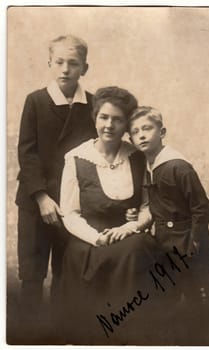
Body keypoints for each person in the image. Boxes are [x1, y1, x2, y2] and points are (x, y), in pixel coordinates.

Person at [59, 87, 156, 345]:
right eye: (104, 117)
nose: (109, 125)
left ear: (127, 124)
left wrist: (132, 226)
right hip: (91, 242)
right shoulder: (76, 158)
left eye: (117, 119)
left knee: (137, 248)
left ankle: (130, 333)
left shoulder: (137, 157)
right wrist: (96, 238)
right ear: (95, 117)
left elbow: (148, 206)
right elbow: (69, 213)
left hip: (128, 238)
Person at [15, 35, 97, 322]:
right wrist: (40, 196)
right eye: (59, 62)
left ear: (84, 68)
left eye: (73, 63)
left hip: (71, 202)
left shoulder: (93, 105)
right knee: (32, 269)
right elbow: (27, 151)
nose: (65, 69)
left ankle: (61, 329)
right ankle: (27, 329)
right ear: (50, 64)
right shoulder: (36, 101)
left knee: (68, 268)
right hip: (36, 199)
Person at [129, 106, 209, 343]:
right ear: (131, 139)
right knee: (169, 294)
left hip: (189, 243)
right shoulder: (150, 167)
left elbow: (201, 207)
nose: (142, 135)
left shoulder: (177, 166)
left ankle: (205, 339)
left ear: (162, 131)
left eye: (147, 128)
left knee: (197, 295)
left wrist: (195, 240)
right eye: (135, 132)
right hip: (167, 244)